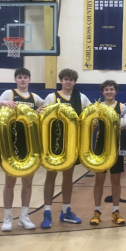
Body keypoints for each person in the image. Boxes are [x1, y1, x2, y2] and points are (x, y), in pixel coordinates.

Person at [0, 67, 44, 232]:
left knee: (27, 182)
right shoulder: (9, 94)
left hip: (29, 144)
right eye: (20, 77)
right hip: (12, 143)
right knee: (10, 182)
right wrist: (1, 103)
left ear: (29, 80)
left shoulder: (34, 97)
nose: (23, 80)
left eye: (25, 77)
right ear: (16, 79)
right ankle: (7, 217)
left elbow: (47, 108)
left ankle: (24, 216)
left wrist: (39, 111)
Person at [40, 68, 92, 229]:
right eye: (65, 79)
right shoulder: (52, 97)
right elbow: (41, 117)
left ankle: (66, 210)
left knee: (68, 178)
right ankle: (47, 212)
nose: (68, 81)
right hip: (53, 144)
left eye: (71, 79)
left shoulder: (81, 98)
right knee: (51, 177)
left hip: (71, 145)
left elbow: (90, 116)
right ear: (61, 80)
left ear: (74, 81)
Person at [90, 80, 126, 226]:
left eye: (111, 89)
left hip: (116, 147)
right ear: (102, 92)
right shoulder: (97, 108)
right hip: (100, 147)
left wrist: (121, 128)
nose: (109, 92)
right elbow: (92, 127)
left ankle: (116, 211)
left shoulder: (122, 107)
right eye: (106, 89)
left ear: (115, 91)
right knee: (99, 180)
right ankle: (97, 211)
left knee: (116, 180)